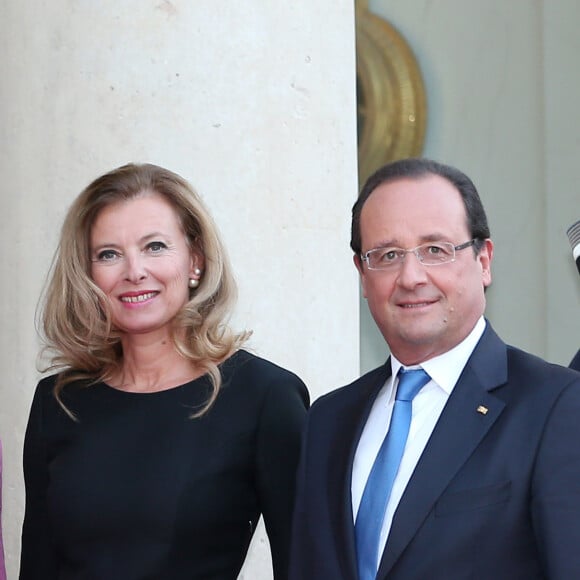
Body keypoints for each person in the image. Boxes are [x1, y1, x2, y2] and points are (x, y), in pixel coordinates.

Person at [289, 157, 580, 579]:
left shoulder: (556, 406)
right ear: (362, 274)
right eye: (387, 254)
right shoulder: (328, 421)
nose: (411, 276)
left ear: (484, 261)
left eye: (435, 250)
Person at [20, 163, 309, 580]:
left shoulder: (266, 396)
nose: (134, 271)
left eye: (154, 246)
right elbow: (39, 565)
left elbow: (305, 564)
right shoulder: (58, 401)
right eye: (109, 254)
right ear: (88, 275)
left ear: (195, 259)